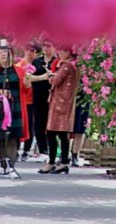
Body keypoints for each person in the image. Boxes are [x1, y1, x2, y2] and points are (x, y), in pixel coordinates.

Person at [0, 43, 31, 178]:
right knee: (2, 137)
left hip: (16, 107)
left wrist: (28, 84)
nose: (4, 55)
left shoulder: (20, 71)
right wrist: (0, 91)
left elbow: (26, 90)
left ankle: (11, 166)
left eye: (6, 53)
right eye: (0, 54)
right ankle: (4, 166)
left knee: (14, 137)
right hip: (1, 109)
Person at [40, 46, 78, 174]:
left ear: (67, 52)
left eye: (62, 50)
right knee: (62, 134)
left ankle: (51, 162)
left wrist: (51, 75)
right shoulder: (73, 65)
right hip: (65, 102)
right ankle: (63, 162)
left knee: (51, 133)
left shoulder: (66, 65)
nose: (59, 53)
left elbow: (55, 81)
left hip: (59, 103)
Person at [21, 42, 49, 162]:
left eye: (33, 51)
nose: (30, 53)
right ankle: (22, 149)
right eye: (27, 50)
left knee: (35, 125)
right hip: (24, 99)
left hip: (38, 99)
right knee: (26, 125)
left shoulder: (39, 64)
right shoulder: (19, 65)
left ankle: (33, 150)